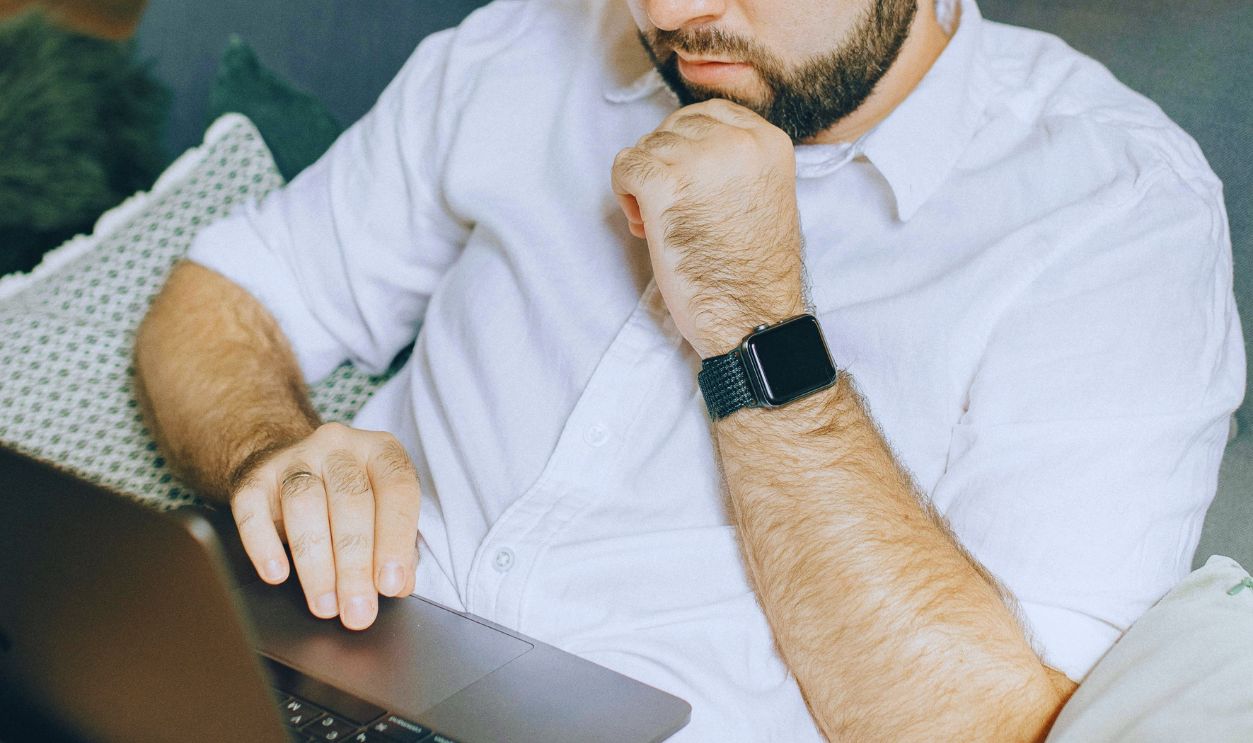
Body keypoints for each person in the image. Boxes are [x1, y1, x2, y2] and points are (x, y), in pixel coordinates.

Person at [133, 0, 1243, 739]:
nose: (665, 10)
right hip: (306, 686)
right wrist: (268, 449)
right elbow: (224, 299)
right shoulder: (530, 45)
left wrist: (751, 319)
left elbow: (980, 722)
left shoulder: (1111, 213)